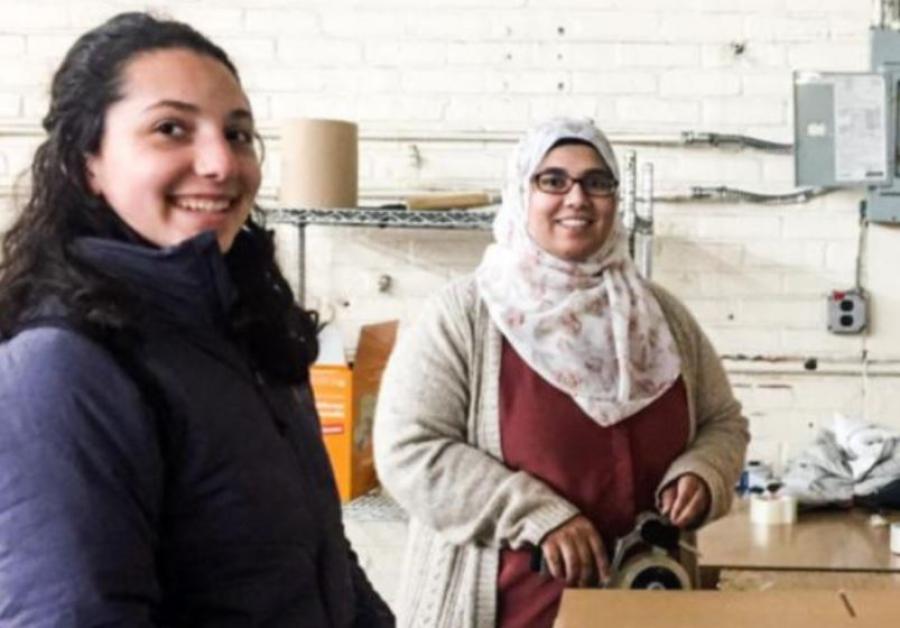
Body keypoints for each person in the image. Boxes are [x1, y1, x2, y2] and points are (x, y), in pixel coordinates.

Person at [0, 12, 393, 627]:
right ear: (88, 165)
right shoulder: (63, 368)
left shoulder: (249, 333)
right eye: (170, 128)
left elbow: (321, 554)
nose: (220, 163)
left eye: (237, 135)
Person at [374, 117, 749, 627]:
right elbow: (409, 450)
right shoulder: (465, 314)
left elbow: (722, 422)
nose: (577, 198)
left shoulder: (661, 317)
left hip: (645, 610)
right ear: (520, 193)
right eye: (553, 180)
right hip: (509, 612)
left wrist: (704, 472)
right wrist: (537, 516)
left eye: (598, 182)